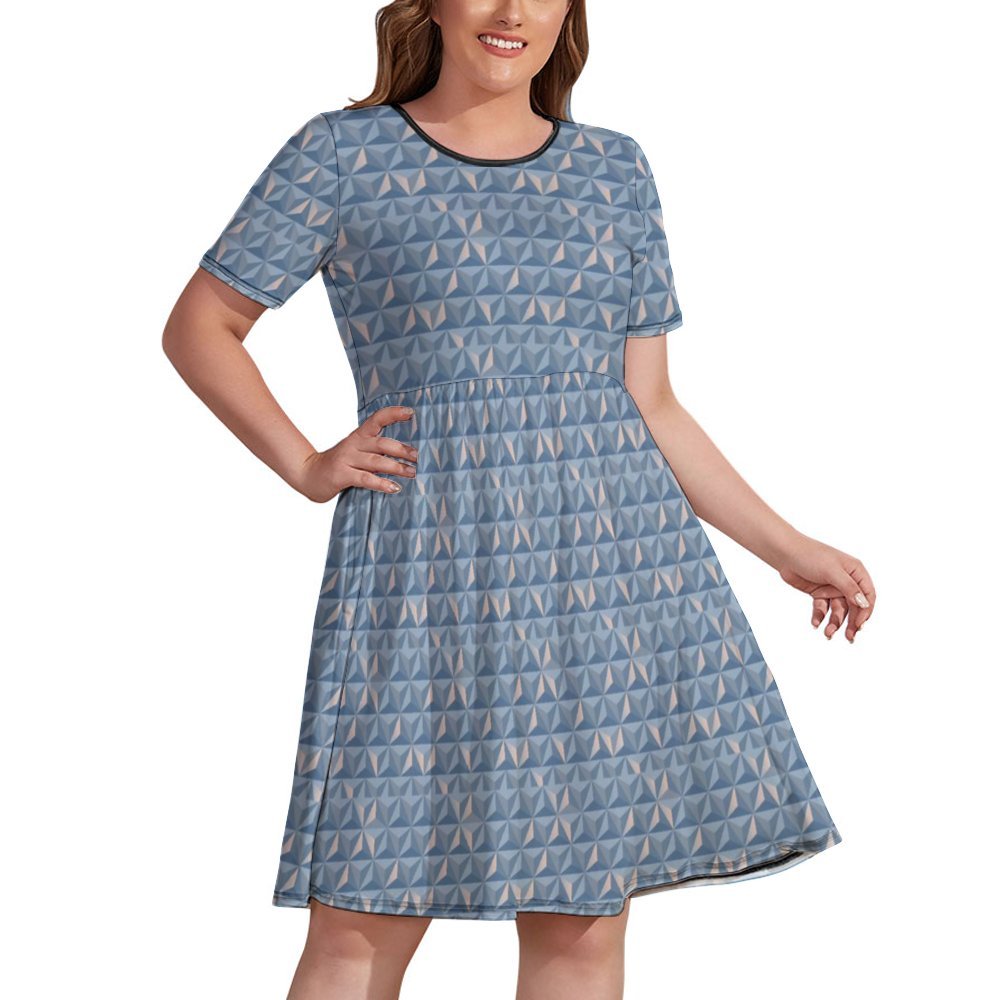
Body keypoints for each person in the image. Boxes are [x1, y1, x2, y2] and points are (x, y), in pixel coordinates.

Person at [163, 2, 875, 997]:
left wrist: (788, 548)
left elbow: (650, 403)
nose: (512, 11)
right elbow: (202, 325)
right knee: (362, 918)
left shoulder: (614, 169)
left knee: (579, 929)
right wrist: (305, 463)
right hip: (425, 576)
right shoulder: (342, 154)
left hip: (604, 582)